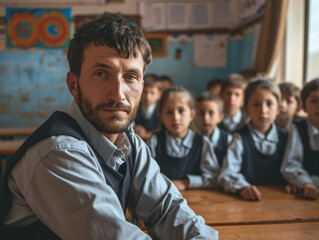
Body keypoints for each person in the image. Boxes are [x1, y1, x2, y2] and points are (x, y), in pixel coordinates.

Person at [0, 12, 218, 239]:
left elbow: (166, 209)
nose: (118, 94)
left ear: (142, 85)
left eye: (131, 76)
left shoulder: (128, 141)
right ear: (74, 85)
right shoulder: (57, 153)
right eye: (101, 73)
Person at [218, 78, 287, 201]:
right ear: (246, 109)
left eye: (269, 104)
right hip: (247, 202)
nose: (263, 110)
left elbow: (294, 168)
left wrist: (294, 183)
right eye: (256, 104)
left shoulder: (287, 137)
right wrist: (242, 187)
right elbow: (228, 174)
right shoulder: (239, 138)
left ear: (278, 108)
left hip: (282, 201)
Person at [147, 86, 220, 191]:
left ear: (191, 114)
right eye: (169, 112)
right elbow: (146, 176)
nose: (175, 118)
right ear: (161, 115)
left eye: (181, 111)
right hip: (161, 198)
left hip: (198, 201)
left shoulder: (202, 142)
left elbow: (214, 178)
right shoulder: (154, 141)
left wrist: (186, 182)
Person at [195, 91, 232, 167]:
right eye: (201, 113)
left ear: (220, 117)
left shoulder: (228, 140)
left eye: (211, 113)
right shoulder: (192, 139)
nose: (205, 118)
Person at [133, 74, 162, 140]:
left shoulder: (161, 110)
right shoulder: (134, 108)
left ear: (159, 95)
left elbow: (161, 131)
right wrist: (135, 128)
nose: (147, 97)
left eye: (152, 93)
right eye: (145, 92)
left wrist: (146, 135)